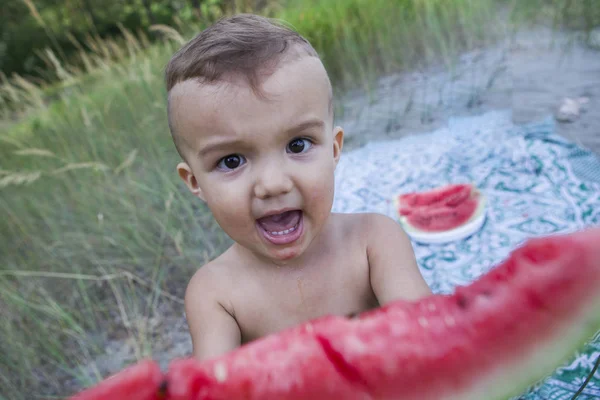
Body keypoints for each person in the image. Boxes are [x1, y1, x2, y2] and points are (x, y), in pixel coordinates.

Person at [164, 13, 432, 361]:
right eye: (232, 161)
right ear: (195, 182)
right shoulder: (215, 294)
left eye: (298, 145)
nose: (273, 184)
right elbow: (216, 387)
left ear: (334, 150)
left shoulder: (374, 242)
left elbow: (429, 339)